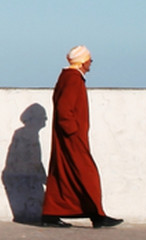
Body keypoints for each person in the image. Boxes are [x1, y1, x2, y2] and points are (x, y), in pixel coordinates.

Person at [40, 45, 123, 228]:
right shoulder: (73, 79)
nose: (90, 63)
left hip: (70, 136)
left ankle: (52, 213)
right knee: (87, 173)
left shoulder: (68, 77)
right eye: (90, 60)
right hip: (72, 137)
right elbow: (64, 109)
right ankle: (97, 216)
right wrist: (74, 131)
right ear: (83, 62)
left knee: (63, 173)